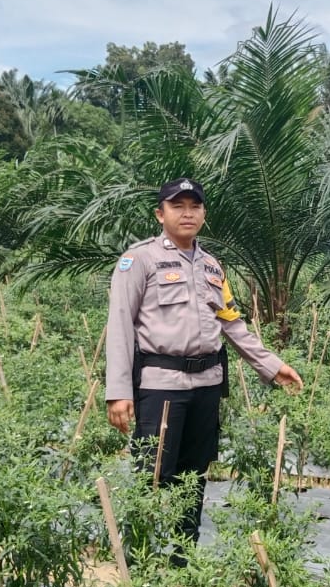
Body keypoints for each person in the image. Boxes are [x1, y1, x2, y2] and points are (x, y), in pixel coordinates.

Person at [105, 177, 303, 555]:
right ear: (159, 213)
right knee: (153, 475)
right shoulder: (139, 260)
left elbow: (232, 323)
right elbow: (119, 323)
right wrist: (118, 392)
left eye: (194, 206)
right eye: (177, 206)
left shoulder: (213, 267)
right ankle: (139, 562)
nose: (187, 213)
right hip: (161, 385)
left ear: (204, 214)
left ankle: (184, 559)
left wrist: (272, 365)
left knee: (193, 476)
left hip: (207, 386)